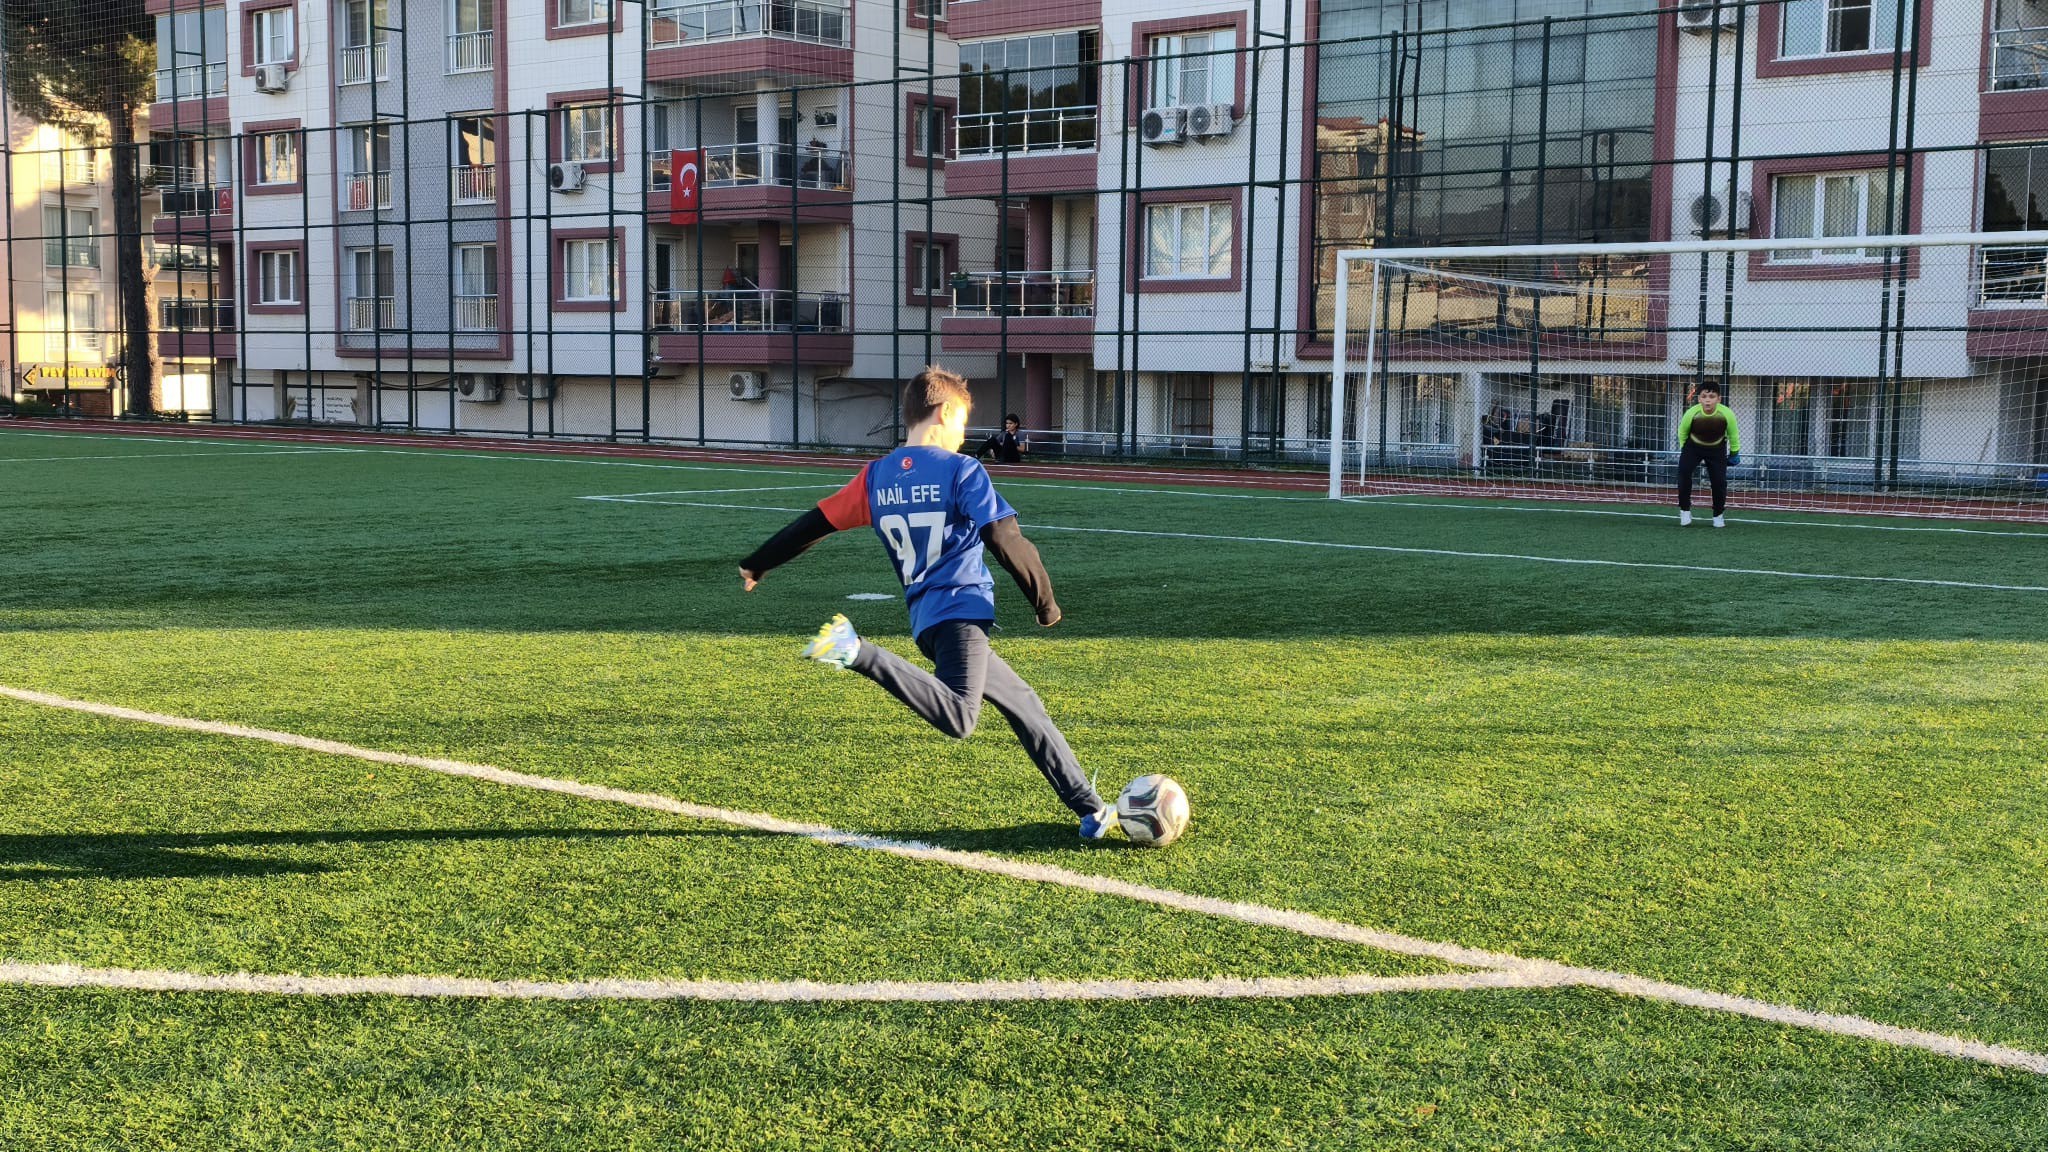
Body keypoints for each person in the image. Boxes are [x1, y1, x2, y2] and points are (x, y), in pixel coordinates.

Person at [737, 367, 1117, 841]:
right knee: (960, 718)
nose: (963, 434)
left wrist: (759, 563)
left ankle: (1090, 809)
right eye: (963, 422)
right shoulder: (962, 470)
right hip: (959, 612)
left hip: (929, 620)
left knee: (1023, 703)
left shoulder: (876, 477)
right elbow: (1003, 534)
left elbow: (814, 524)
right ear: (946, 411)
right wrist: (1045, 603)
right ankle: (856, 652)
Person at [1676, 383, 1740, 527]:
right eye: (1704, 396)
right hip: (1693, 447)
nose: (1708, 400)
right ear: (1699, 399)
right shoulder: (1692, 413)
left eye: (1712, 397)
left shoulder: (1727, 414)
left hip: (1716, 449)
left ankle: (1718, 515)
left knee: (1719, 482)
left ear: (1719, 399)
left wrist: (1734, 453)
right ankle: (1685, 511)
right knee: (1683, 473)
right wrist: (1684, 450)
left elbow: (1733, 435)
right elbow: (1682, 432)